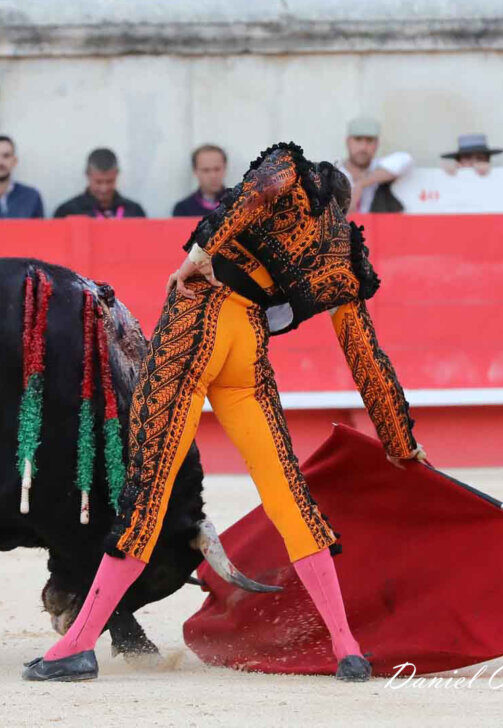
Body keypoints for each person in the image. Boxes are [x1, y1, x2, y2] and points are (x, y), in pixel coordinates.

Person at [23, 142, 426, 683]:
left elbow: (257, 191)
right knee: (289, 495)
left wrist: (200, 251)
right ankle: (346, 647)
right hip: (247, 351)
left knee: (148, 492)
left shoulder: (292, 172)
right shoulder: (342, 256)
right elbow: (366, 359)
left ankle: (77, 645)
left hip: (196, 326)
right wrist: (400, 442)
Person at [336, 117, 412, 213]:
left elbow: (406, 159)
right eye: (358, 139)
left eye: (369, 140)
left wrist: (362, 183)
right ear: (348, 142)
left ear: (377, 144)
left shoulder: (379, 168)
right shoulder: (335, 173)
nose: (363, 147)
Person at [53, 148, 146, 219]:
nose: (104, 189)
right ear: (87, 175)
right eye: (98, 182)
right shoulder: (68, 212)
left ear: (117, 174)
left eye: (110, 181)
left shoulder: (134, 211)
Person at [172, 144, 228, 216]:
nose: (213, 176)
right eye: (206, 170)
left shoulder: (238, 204)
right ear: (195, 171)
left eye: (217, 169)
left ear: (225, 169)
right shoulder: (182, 209)